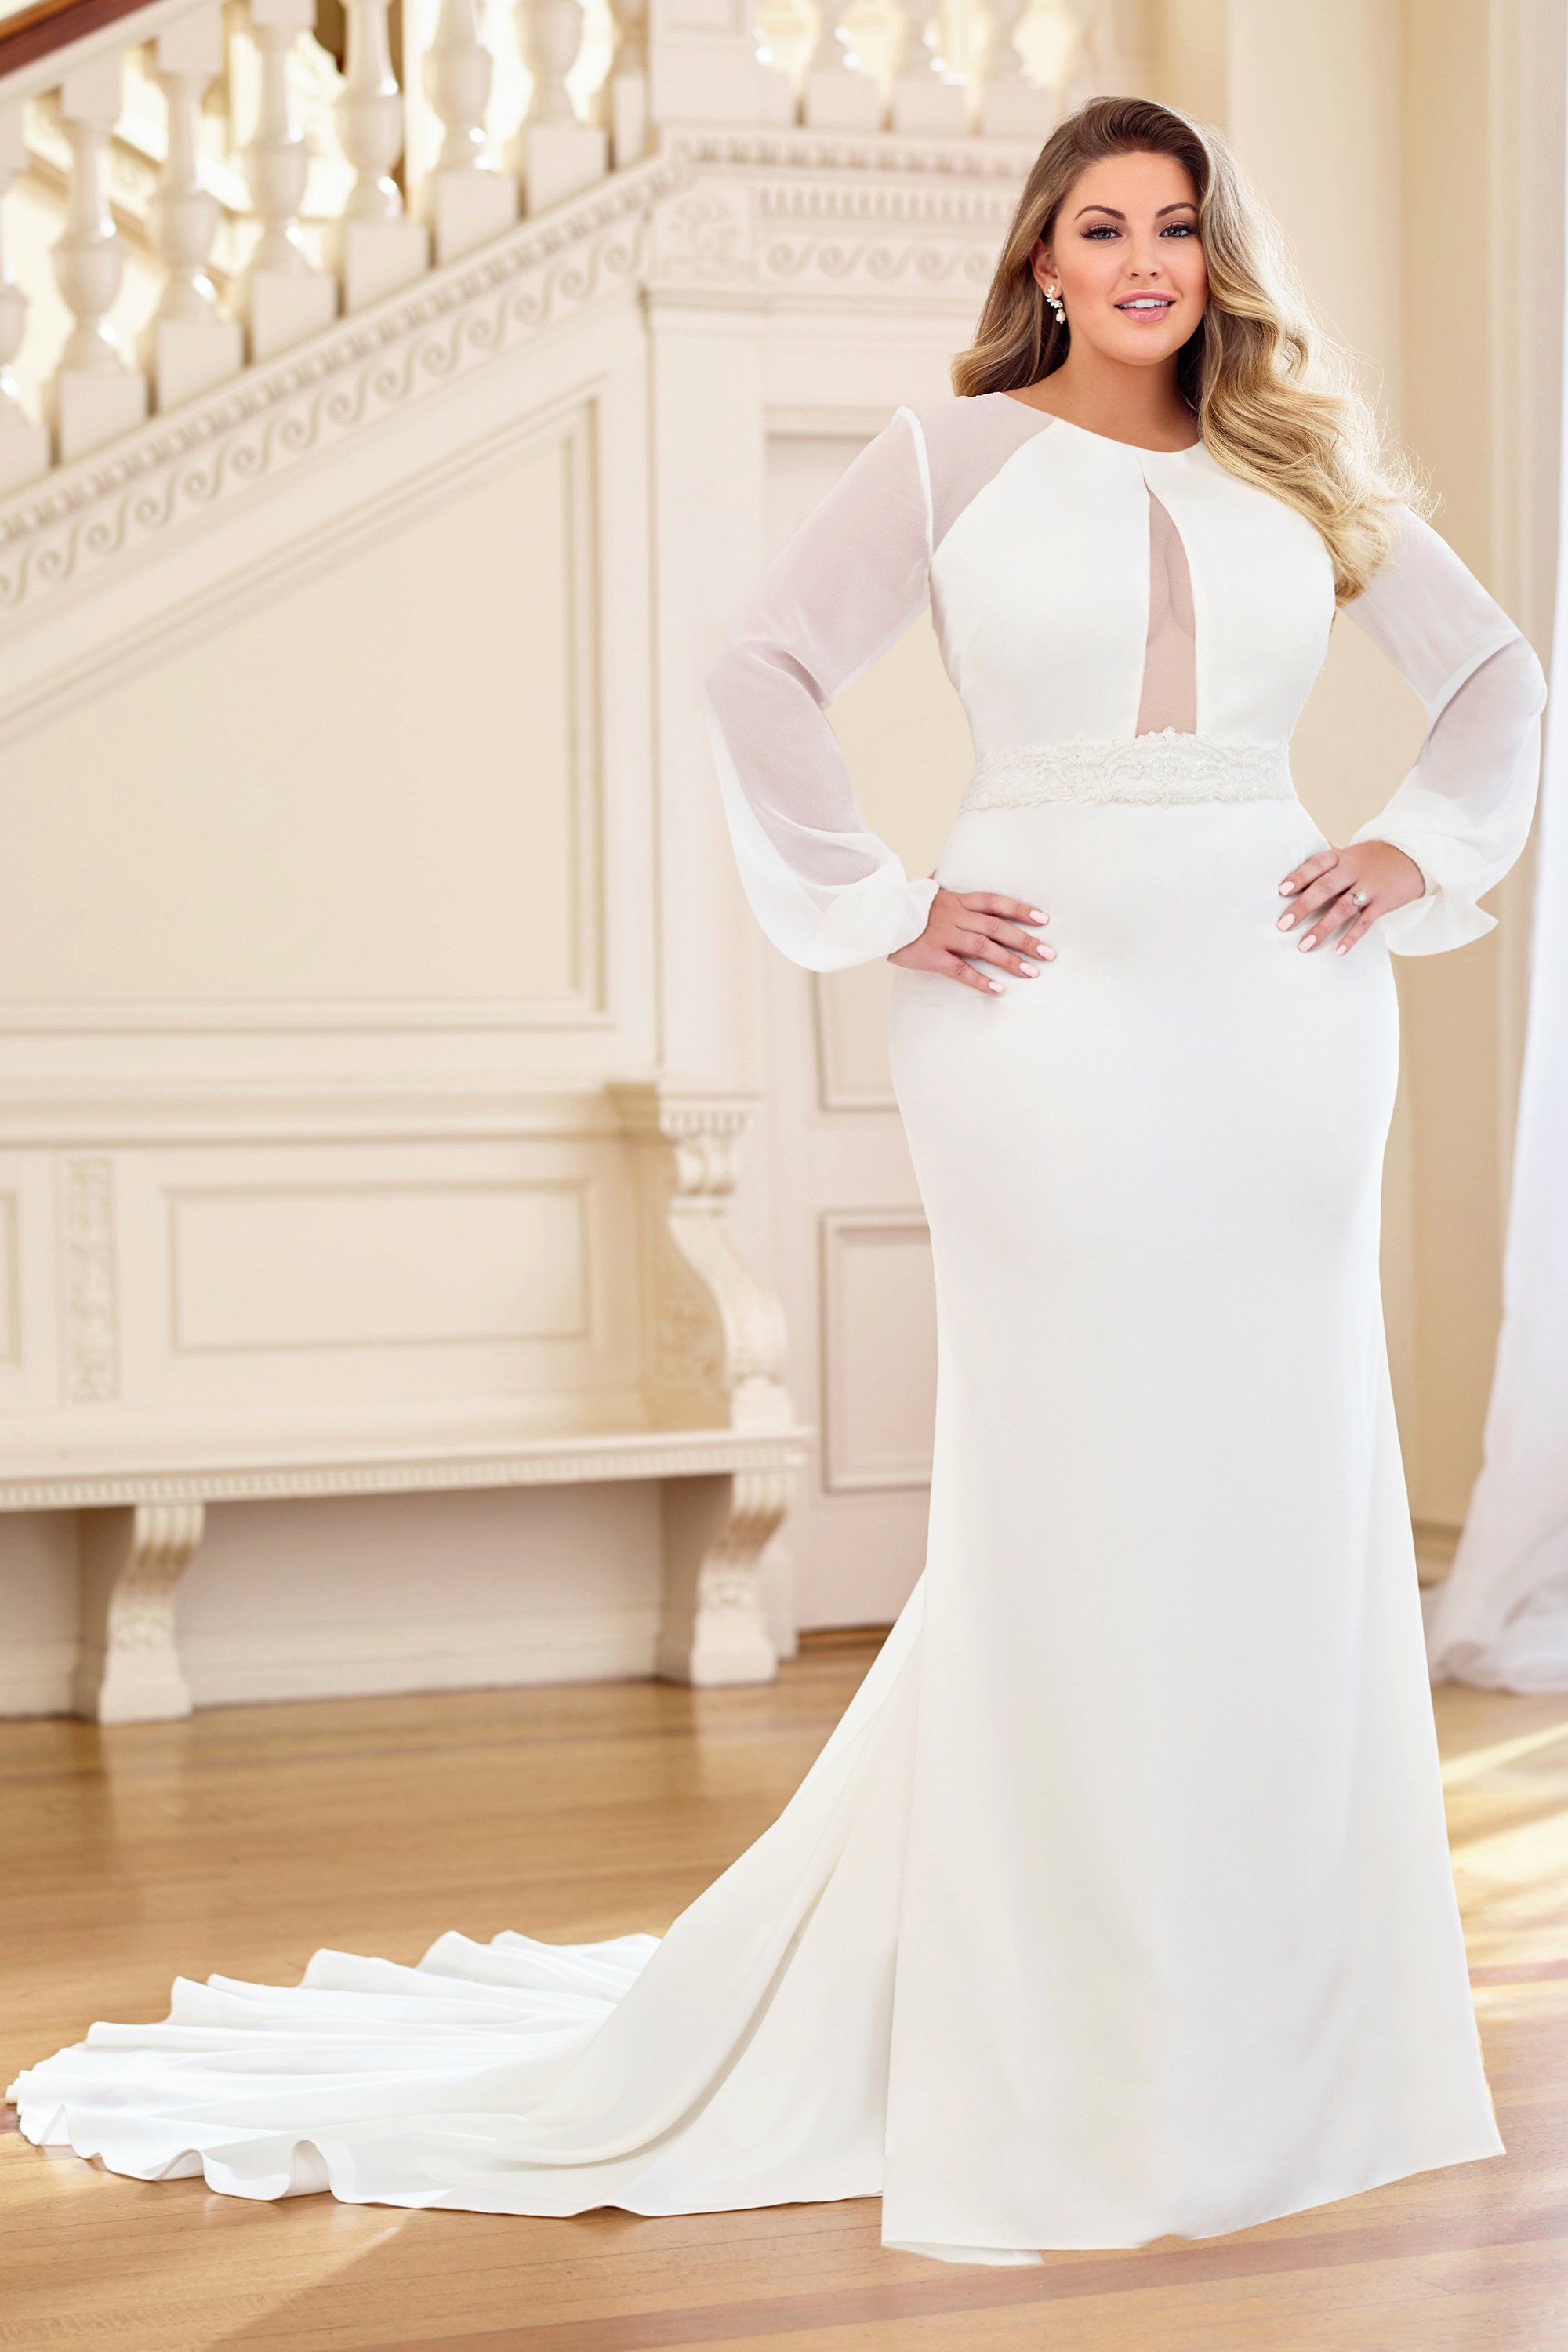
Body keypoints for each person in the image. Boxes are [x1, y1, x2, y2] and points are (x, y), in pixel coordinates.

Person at [8, 96, 1546, 2269]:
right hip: (1038, 1013)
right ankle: (1065, 2024)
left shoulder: (1305, 466)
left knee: (1277, 1474)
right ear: (1041, 261)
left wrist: (1415, 849)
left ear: (1216, 259)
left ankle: (1289, 2031)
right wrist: (883, 899)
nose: (1143, 260)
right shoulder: (951, 456)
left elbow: (1496, 680)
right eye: (1101, 226)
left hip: (1283, 1019)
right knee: (1073, 1477)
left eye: (1177, 227)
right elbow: (762, 671)